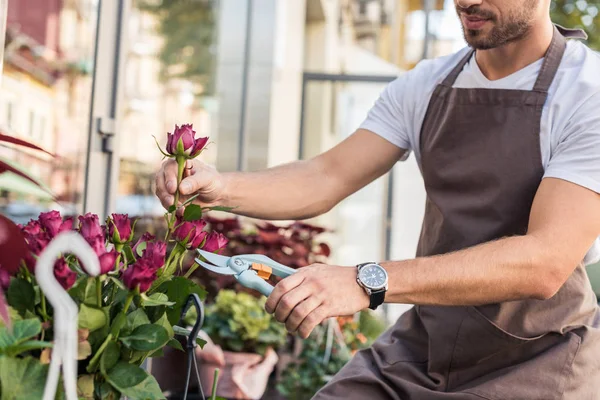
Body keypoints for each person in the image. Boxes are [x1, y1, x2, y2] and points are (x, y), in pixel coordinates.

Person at [155, 0, 600, 397]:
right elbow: (324, 176)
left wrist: (365, 280)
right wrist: (219, 187)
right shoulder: (426, 84)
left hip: (538, 361)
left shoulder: (586, 92)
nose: (466, 1)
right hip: (424, 349)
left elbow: (545, 261)